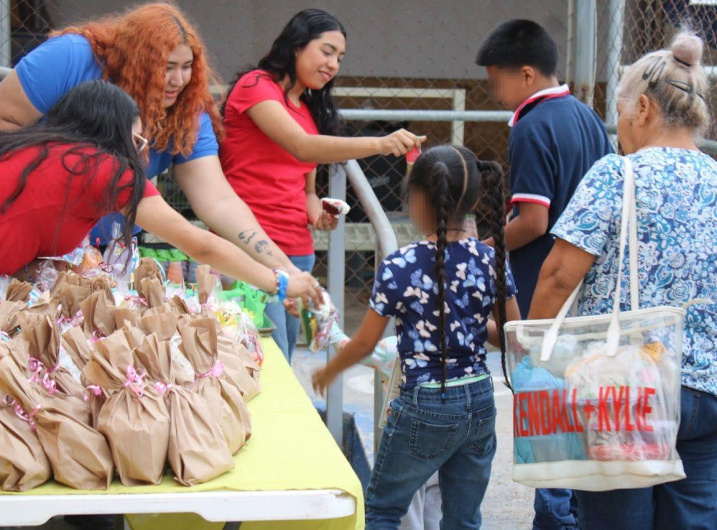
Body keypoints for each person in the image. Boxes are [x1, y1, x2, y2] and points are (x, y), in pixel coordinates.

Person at [0, 80, 321, 335]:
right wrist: (280, 282)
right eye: (138, 138)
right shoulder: (105, 168)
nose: (141, 149)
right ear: (116, 133)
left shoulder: (36, 150)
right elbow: (200, 245)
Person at [529, 30, 716, 530]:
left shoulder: (618, 174)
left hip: (626, 391)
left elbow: (558, 274)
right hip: (710, 389)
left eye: (621, 109)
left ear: (644, 110)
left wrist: (535, 352)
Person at [0, 3, 304, 280]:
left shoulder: (186, 110)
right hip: (25, 234)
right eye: (166, 67)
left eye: (187, 67)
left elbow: (218, 201)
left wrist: (283, 267)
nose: (177, 80)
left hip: (109, 250)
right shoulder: (71, 56)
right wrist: (67, 182)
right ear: (136, 60)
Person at [312, 145, 520, 528]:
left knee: (384, 508)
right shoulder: (491, 259)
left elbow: (365, 343)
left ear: (418, 199)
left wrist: (329, 372)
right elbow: (511, 336)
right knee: (463, 518)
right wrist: (468, 326)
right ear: (474, 199)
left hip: (426, 401)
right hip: (478, 398)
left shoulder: (401, 265)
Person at [220, 8, 425, 359]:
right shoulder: (255, 87)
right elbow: (301, 145)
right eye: (326, 51)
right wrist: (380, 143)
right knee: (262, 360)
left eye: (340, 58)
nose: (333, 64)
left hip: (298, 253)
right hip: (252, 249)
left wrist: (317, 213)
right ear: (297, 45)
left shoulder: (306, 106)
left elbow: (307, 189)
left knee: (282, 355)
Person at [475, 19, 613, 528]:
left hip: (545, 288)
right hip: (589, 287)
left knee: (546, 414)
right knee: (580, 409)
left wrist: (482, 248)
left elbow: (533, 220)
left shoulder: (532, 125)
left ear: (527, 74)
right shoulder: (587, 116)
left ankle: (555, 519)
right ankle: (579, 512)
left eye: (497, 82)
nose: (495, 95)